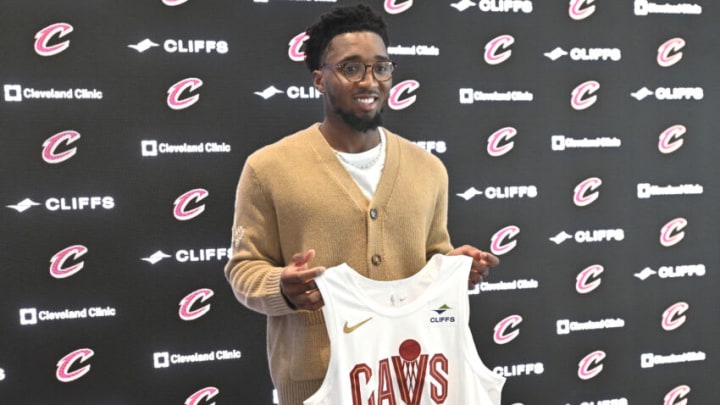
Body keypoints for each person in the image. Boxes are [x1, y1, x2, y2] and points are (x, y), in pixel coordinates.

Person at [224, 4, 499, 404]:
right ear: (319, 79)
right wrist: (282, 289)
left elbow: (432, 257)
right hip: (319, 384)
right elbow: (243, 268)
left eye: (381, 67)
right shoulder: (268, 168)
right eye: (351, 68)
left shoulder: (429, 170)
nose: (369, 81)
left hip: (412, 378)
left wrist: (455, 268)